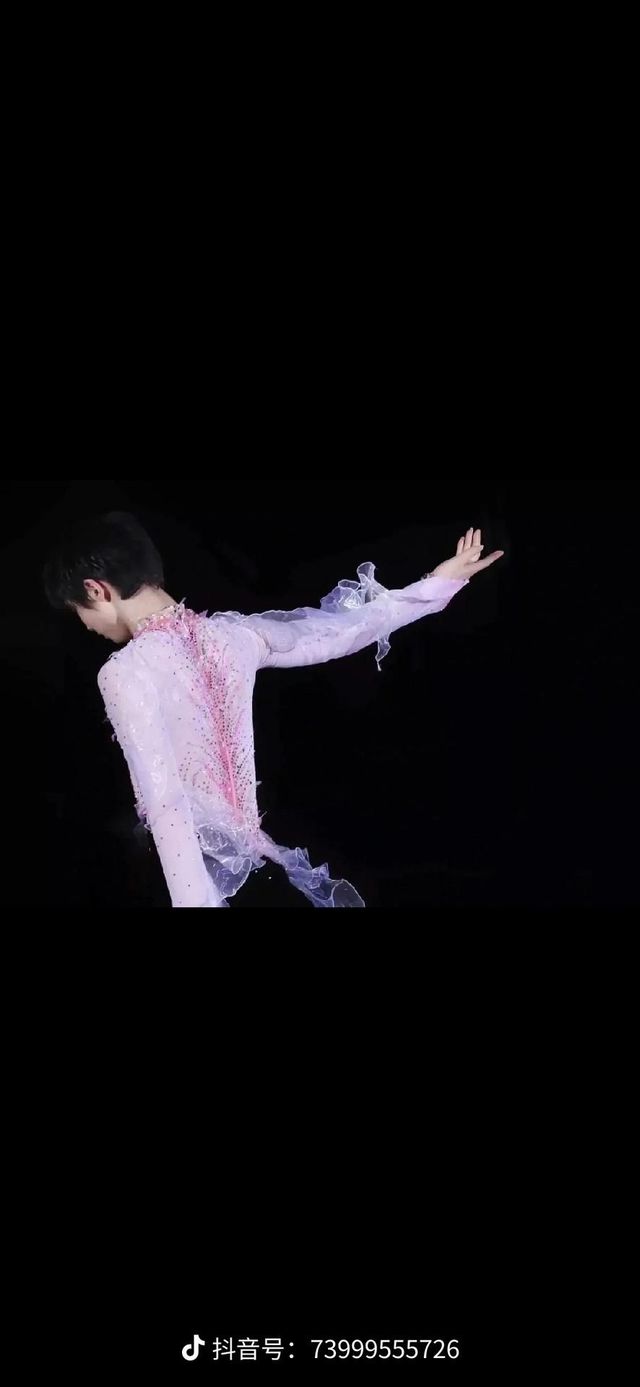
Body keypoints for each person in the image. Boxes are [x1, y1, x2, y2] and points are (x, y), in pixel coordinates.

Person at [43, 511, 504, 908]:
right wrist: (437, 585)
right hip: (260, 871)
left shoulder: (126, 671)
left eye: (76, 610)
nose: (86, 625)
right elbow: (340, 631)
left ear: (95, 589)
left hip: (194, 881)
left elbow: (166, 804)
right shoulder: (234, 636)